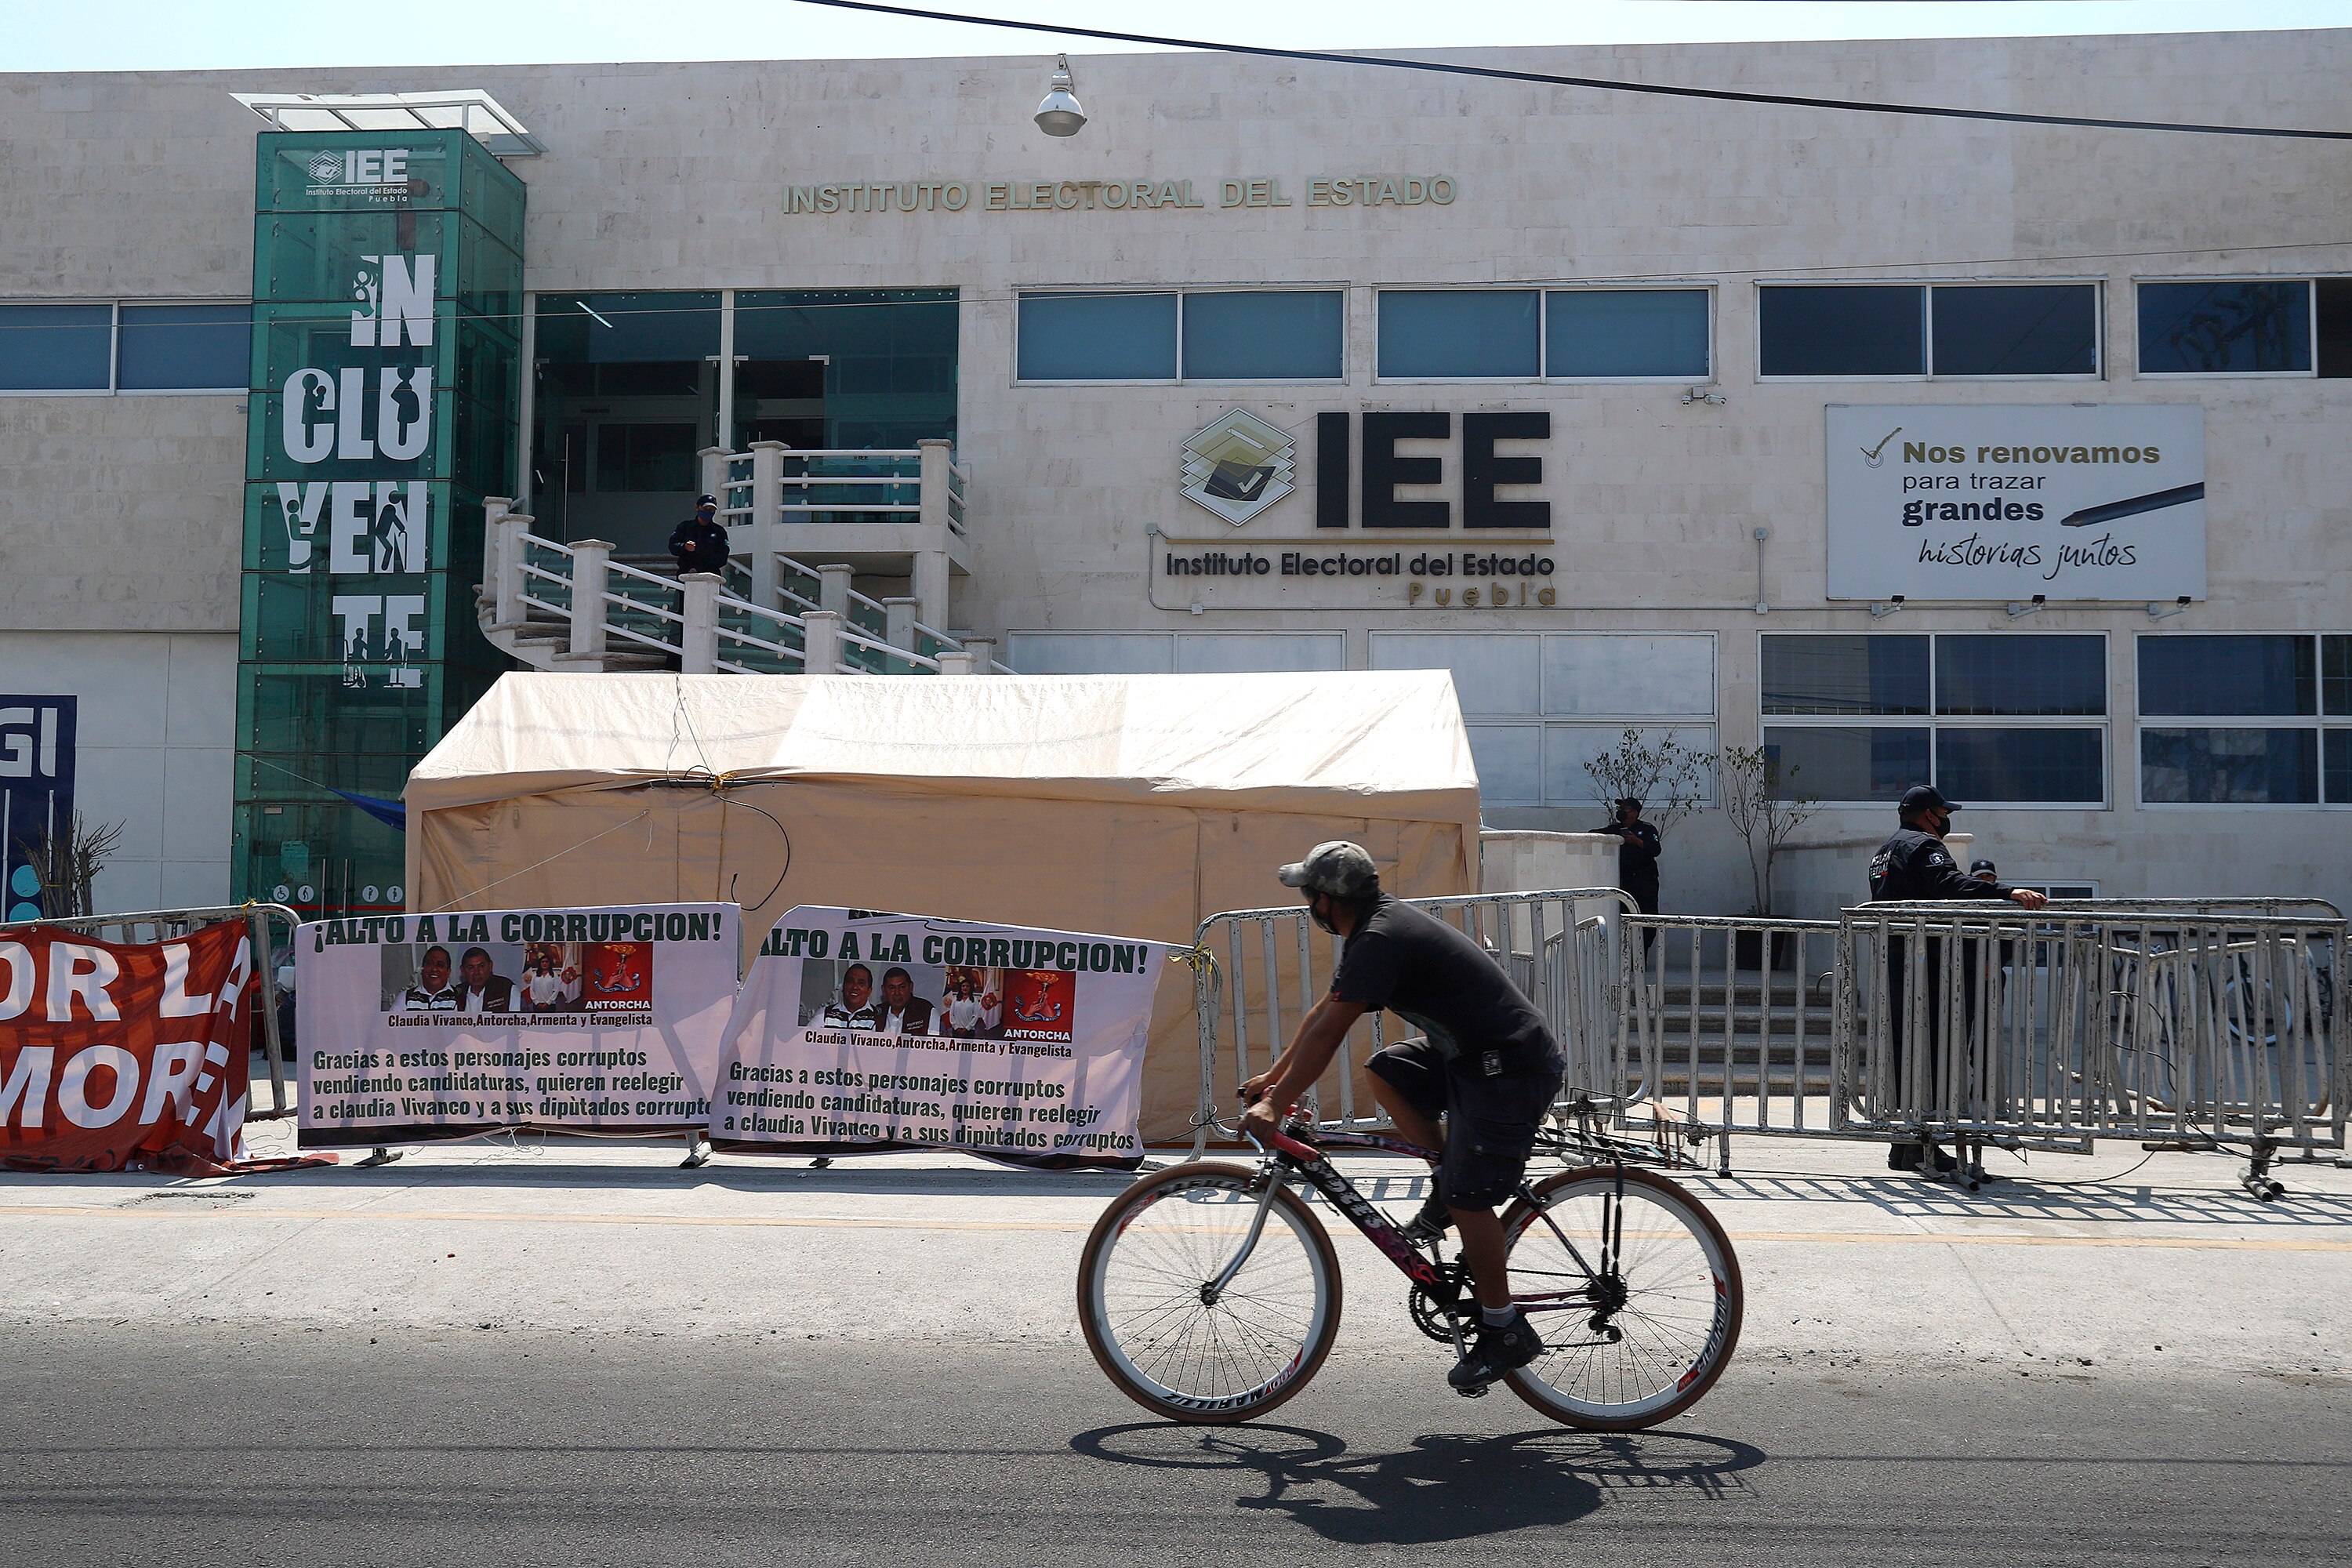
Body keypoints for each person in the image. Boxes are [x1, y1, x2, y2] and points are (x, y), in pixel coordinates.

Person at [1240, 840, 1566, 1394]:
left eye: (1309, 895)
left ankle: (1503, 1327)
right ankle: (1447, 1176)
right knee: (1387, 1071)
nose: (1307, 905)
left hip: (1510, 1068)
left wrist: (1276, 1100)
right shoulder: (1373, 930)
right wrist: (1273, 1081)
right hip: (1472, 1060)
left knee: (1472, 1199)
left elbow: (1332, 1029)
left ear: (1326, 901)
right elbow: (1326, 1011)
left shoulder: (1381, 937)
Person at [1867, 786, 2045, 1174]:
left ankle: (1907, 1145)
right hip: (1928, 967)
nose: (1947, 820)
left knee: (1908, 1056)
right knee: (1934, 1055)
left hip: (1898, 965)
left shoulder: (1885, 851)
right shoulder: (1922, 845)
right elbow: (1950, 885)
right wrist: (2006, 892)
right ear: (1929, 815)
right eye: (1943, 813)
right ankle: (1920, 1147)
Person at [1592, 797, 1664, 951]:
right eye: (1620, 808)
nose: (1620, 811)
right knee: (1624, 920)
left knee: (1647, 921)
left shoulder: (1647, 829)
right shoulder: (1615, 830)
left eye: (1625, 809)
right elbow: (1593, 835)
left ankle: (1641, 958)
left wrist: (1636, 841)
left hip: (1645, 884)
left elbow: (1655, 849)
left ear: (1634, 813)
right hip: (1624, 883)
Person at [669, 494, 730, 579]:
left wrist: (699, 569)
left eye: (711, 510)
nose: (708, 512)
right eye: (705, 509)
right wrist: (684, 547)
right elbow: (672, 546)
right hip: (686, 575)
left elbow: (722, 556)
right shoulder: (685, 527)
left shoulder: (719, 531)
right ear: (697, 508)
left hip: (710, 577)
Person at [872, 967, 934, 1036]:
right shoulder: (876, 1014)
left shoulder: (927, 1011)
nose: (897, 993)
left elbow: (938, 1044)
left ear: (911, 987)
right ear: (883, 990)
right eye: (891, 988)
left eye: (902, 987)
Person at [456, 947, 514, 1012]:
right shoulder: (457, 994)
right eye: (471, 968)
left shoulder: (507, 989)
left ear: (490, 967)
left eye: (482, 966)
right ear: (463, 971)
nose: (476, 972)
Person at [821, 963, 879, 1028]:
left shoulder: (879, 1018)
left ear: (869, 991)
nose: (855, 987)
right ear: (843, 986)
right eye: (850, 981)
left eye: (861, 983)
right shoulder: (824, 1014)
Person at [401, 946, 457, 1011]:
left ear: (448, 972)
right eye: (429, 964)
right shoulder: (406, 997)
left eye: (440, 965)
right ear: (422, 969)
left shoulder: (459, 998)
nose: (434, 969)